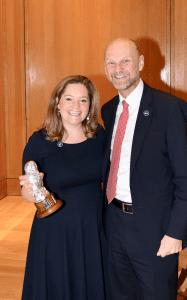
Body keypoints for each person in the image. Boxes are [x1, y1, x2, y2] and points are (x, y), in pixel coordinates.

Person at [101, 37, 187, 300]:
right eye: (111, 63)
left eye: (125, 61)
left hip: (155, 230)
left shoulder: (169, 108)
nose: (118, 69)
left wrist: (175, 232)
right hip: (114, 221)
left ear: (141, 63)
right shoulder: (108, 110)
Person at [19, 75, 110, 300]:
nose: (76, 106)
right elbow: (28, 187)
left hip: (92, 227)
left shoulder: (99, 136)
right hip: (54, 230)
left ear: (91, 105)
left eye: (83, 100)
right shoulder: (39, 140)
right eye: (69, 99)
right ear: (57, 102)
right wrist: (29, 193)